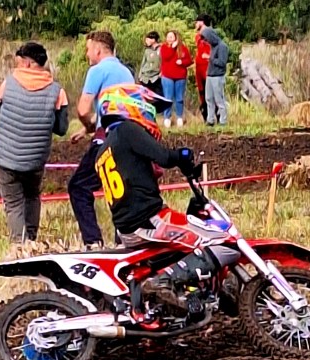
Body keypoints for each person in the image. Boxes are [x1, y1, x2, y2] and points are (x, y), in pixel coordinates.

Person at [93, 83, 241, 313]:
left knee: (186, 247)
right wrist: (182, 155)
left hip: (128, 229)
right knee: (222, 241)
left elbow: (136, 175)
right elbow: (163, 157)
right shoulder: (128, 130)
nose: (152, 115)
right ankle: (163, 282)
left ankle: (190, 294)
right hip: (151, 220)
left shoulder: (104, 150)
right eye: (149, 108)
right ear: (131, 106)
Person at [0, 41, 69, 244]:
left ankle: (19, 244)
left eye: (19, 62)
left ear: (27, 63)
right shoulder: (57, 91)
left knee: (13, 203)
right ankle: (32, 241)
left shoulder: (8, 83)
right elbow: (62, 128)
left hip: (6, 158)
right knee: (32, 196)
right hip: (35, 160)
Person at [68, 31, 135, 250]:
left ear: (98, 49)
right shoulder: (126, 72)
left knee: (79, 187)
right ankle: (123, 241)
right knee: (119, 189)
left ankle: (93, 241)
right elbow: (115, 110)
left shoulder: (97, 71)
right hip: (128, 138)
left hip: (105, 139)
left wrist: (89, 125)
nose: (87, 54)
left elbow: (82, 109)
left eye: (88, 49)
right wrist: (88, 129)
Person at [159, 30, 193, 128]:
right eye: (168, 37)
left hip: (180, 76)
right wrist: (172, 48)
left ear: (176, 38)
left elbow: (189, 61)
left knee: (179, 98)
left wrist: (182, 62)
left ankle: (179, 117)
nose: (169, 39)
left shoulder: (183, 48)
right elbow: (166, 57)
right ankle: (167, 118)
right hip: (167, 76)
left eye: (171, 37)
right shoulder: (164, 47)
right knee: (168, 98)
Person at [201, 27, 229, 126]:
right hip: (210, 75)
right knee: (209, 98)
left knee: (219, 99)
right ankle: (210, 120)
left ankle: (223, 120)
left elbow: (222, 62)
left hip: (218, 76)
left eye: (206, 39)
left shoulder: (222, 46)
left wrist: (210, 58)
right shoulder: (213, 46)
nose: (206, 41)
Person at [194, 14, 213, 122]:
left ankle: (214, 115)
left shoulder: (210, 34)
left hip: (207, 67)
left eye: (197, 22)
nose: (195, 24)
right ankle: (206, 114)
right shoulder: (198, 36)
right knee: (202, 92)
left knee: (209, 92)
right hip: (199, 68)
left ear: (202, 22)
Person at [138, 31, 163, 96]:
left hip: (156, 77)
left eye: (147, 39)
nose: (146, 41)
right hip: (145, 77)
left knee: (157, 97)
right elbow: (143, 63)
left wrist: (161, 73)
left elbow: (164, 62)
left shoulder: (161, 49)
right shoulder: (147, 50)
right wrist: (140, 76)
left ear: (153, 39)